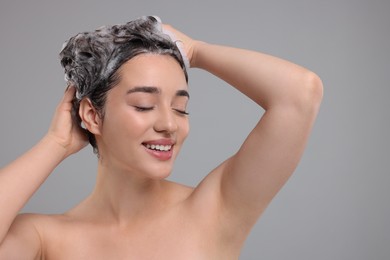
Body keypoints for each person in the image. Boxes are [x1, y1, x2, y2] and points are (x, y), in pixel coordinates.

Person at [0, 16, 323, 259]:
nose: (169, 123)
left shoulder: (213, 209)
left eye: (181, 109)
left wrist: (195, 52)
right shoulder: (45, 239)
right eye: (144, 105)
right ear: (93, 115)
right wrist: (54, 145)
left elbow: (299, 94)